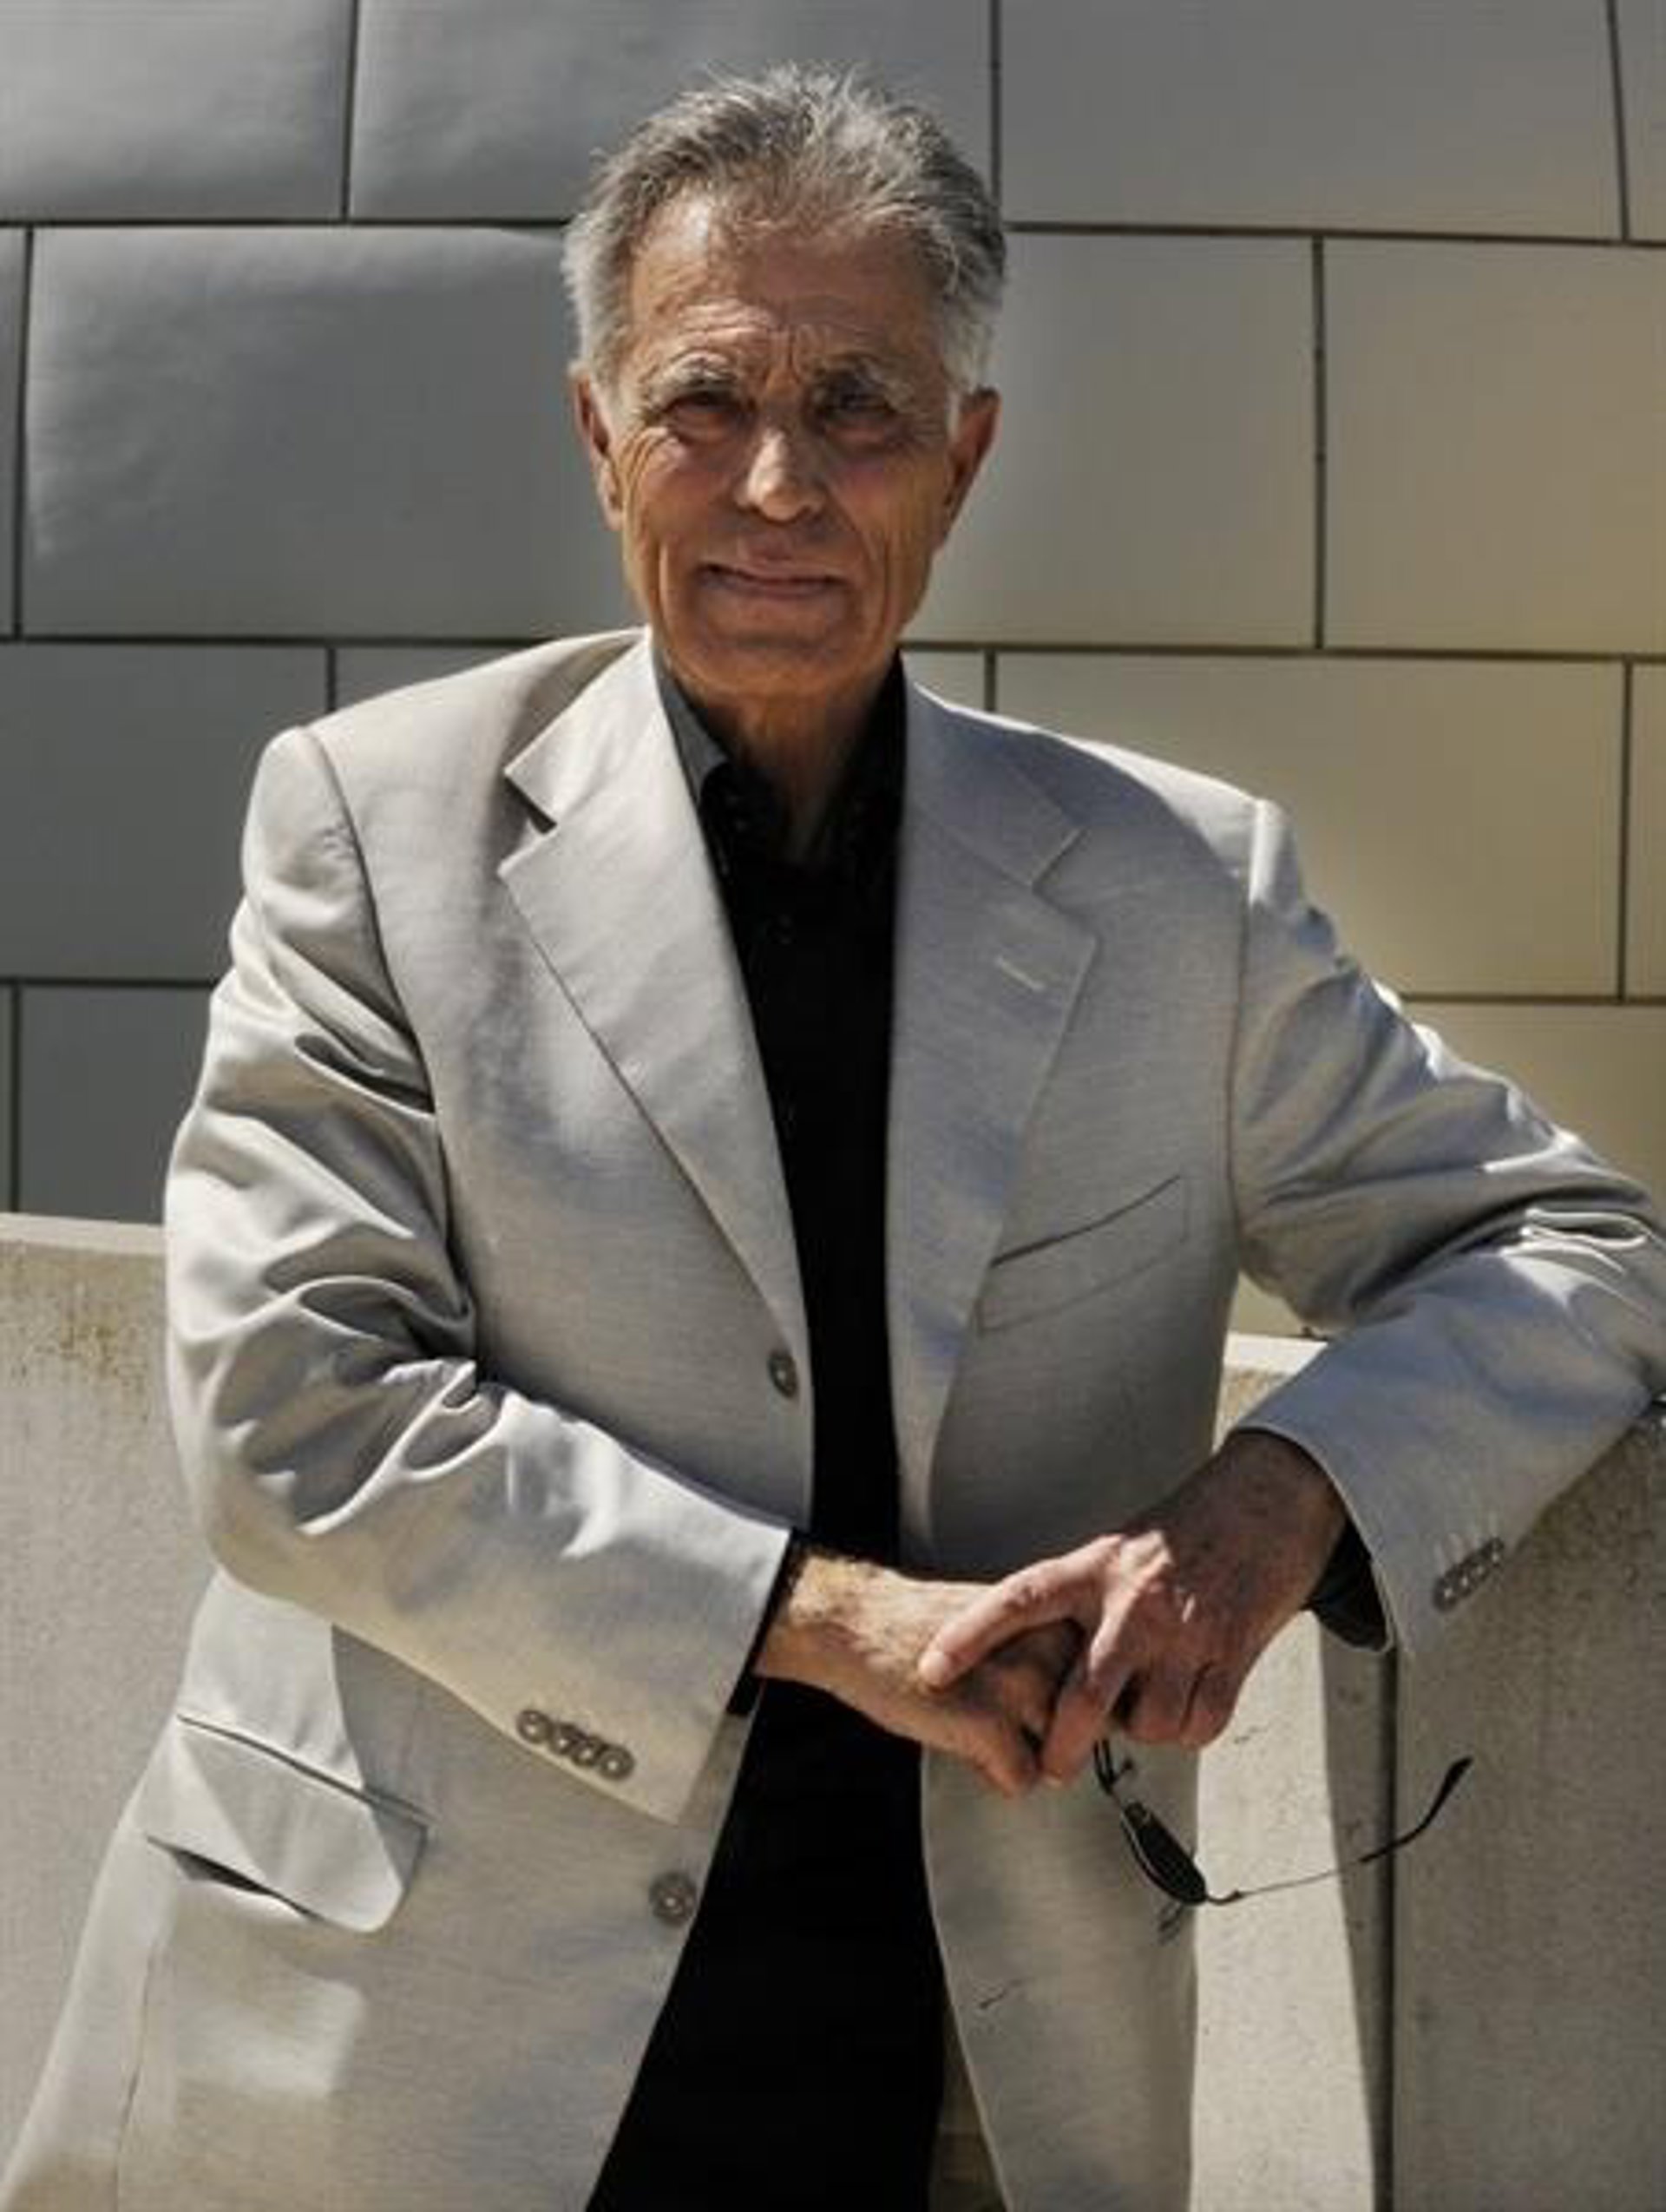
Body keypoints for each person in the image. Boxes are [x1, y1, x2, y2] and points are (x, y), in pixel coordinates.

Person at [5, 65, 1663, 2212]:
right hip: (416, 2049)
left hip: (965, 2059)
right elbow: (288, 1415)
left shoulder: (1182, 889)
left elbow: (1572, 1245)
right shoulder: (370, 827)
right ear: (598, 435)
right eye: (705, 402)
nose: (779, 484)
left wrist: (1282, 1499)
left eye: (861, 407)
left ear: (964, 461)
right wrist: (826, 1621)